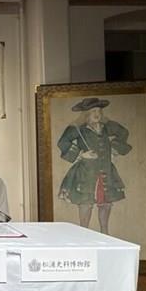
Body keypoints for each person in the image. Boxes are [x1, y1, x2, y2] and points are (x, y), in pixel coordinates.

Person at [57, 97, 132, 234]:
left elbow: (123, 132)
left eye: (99, 111)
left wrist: (114, 147)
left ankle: (105, 233)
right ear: (86, 114)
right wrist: (81, 154)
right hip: (86, 172)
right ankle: (84, 233)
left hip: (106, 171)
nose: (97, 114)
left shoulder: (106, 127)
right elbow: (63, 142)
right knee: (86, 203)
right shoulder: (78, 129)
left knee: (106, 203)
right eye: (93, 111)